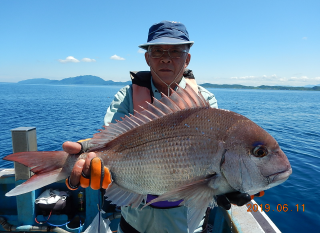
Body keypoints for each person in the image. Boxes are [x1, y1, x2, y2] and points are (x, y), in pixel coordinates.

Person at [62, 21, 255, 233]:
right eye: (157, 51)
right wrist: (86, 151)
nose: (165, 57)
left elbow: (215, 157)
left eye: (175, 51)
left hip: (185, 223)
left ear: (187, 58)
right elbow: (109, 143)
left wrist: (226, 184)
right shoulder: (126, 97)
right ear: (147, 58)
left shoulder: (205, 101)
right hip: (135, 219)